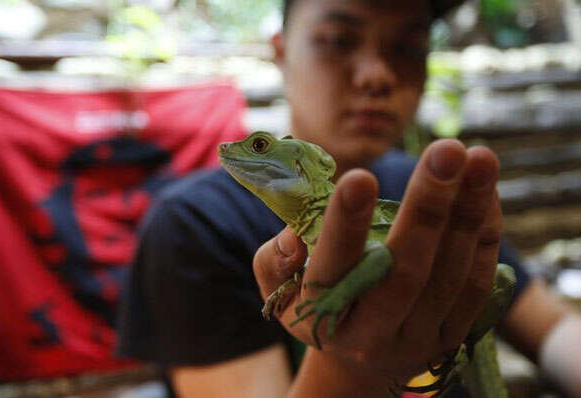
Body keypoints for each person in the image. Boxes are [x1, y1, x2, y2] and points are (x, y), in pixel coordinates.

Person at [117, 0, 581, 396]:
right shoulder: (195, 225)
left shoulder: (426, 191)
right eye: (339, 40)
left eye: (408, 47)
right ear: (279, 52)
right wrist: (349, 369)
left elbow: (552, 327)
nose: (377, 76)